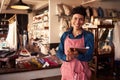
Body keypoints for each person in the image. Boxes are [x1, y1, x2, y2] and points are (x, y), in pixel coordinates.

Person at [57, 6, 94, 80]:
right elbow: (59, 52)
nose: (77, 22)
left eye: (81, 19)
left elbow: (89, 56)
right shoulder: (65, 35)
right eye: (75, 18)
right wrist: (65, 57)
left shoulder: (88, 36)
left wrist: (78, 55)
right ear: (71, 19)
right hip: (67, 72)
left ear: (84, 21)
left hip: (81, 72)